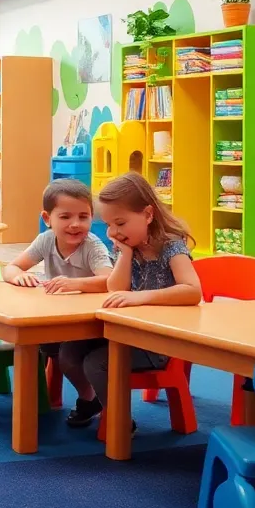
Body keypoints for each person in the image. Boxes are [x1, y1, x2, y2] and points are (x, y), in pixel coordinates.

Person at [83, 172, 202, 431]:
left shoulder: (171, 245)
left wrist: (141, 297)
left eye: (121, 223)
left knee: (96, 362)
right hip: (132, 334)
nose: (114, 232)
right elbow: (114, 287)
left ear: (148, 215)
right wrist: (125, 253)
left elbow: (193, 291)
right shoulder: (131, 246)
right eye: (109, 225)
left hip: (161, 344)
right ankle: (95, 406)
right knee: (72, 349)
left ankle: (120, 422)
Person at [3, 179, 114, 427]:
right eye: (65, 217)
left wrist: (76, 284)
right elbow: (11, 267)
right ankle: (36, 400)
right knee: (29, 341)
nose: (75, 224)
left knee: (66, 354)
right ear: (47, 218)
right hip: (55, 317)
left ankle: (89, 398)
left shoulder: (92, 246)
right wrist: (18, 275)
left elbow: (110, 281)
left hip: (89, 325)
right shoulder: (45, 241)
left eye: (83, 216)